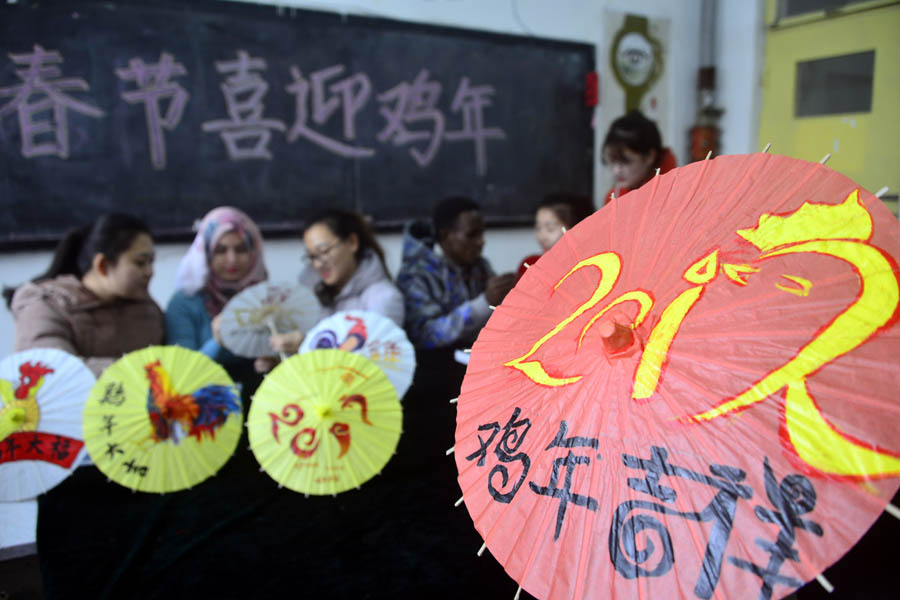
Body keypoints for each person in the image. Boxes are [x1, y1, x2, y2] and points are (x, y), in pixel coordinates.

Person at [7, 213, 164, 377]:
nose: (150, 272)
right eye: (140, 262)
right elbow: (51, 373)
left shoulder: (147, 309)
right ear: (102, 265)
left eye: (151, 262)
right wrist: (139, 372)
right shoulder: (46, 305)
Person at [266, 209, 403, 357]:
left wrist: (306, 345)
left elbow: (368, 361)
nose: (318, 264)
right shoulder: (312, 295)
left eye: (324, 251)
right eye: (312, 256)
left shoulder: (383, 298)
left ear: (352, 242)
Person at [397, 196, 515, 350]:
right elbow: (425, 336)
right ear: (446, 236)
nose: (481, 241)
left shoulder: (480, 266)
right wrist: (484, 302)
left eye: (482, 234)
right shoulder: (415, 274)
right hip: (436, 367)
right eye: (472, 235)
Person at [165, 206, 268, 375]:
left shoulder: (267, 298)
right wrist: (217, 342)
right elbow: (180, 373)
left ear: (253, 252)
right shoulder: (184, 302)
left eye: (241, 249)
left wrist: (275, 358)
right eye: (221, 250)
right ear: (206, 253)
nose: (232, 259)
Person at [602, 110, 677, 205]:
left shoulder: (674, 195)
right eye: (613, 161)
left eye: (626, 162)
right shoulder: (615, 197)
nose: (616, 171)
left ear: (650, 156)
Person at [518, 193, 594, 278]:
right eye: (538, 228)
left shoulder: (588, 268)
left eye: (550, 229)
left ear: (575, 230)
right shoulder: (531, 265)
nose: (542, 237)